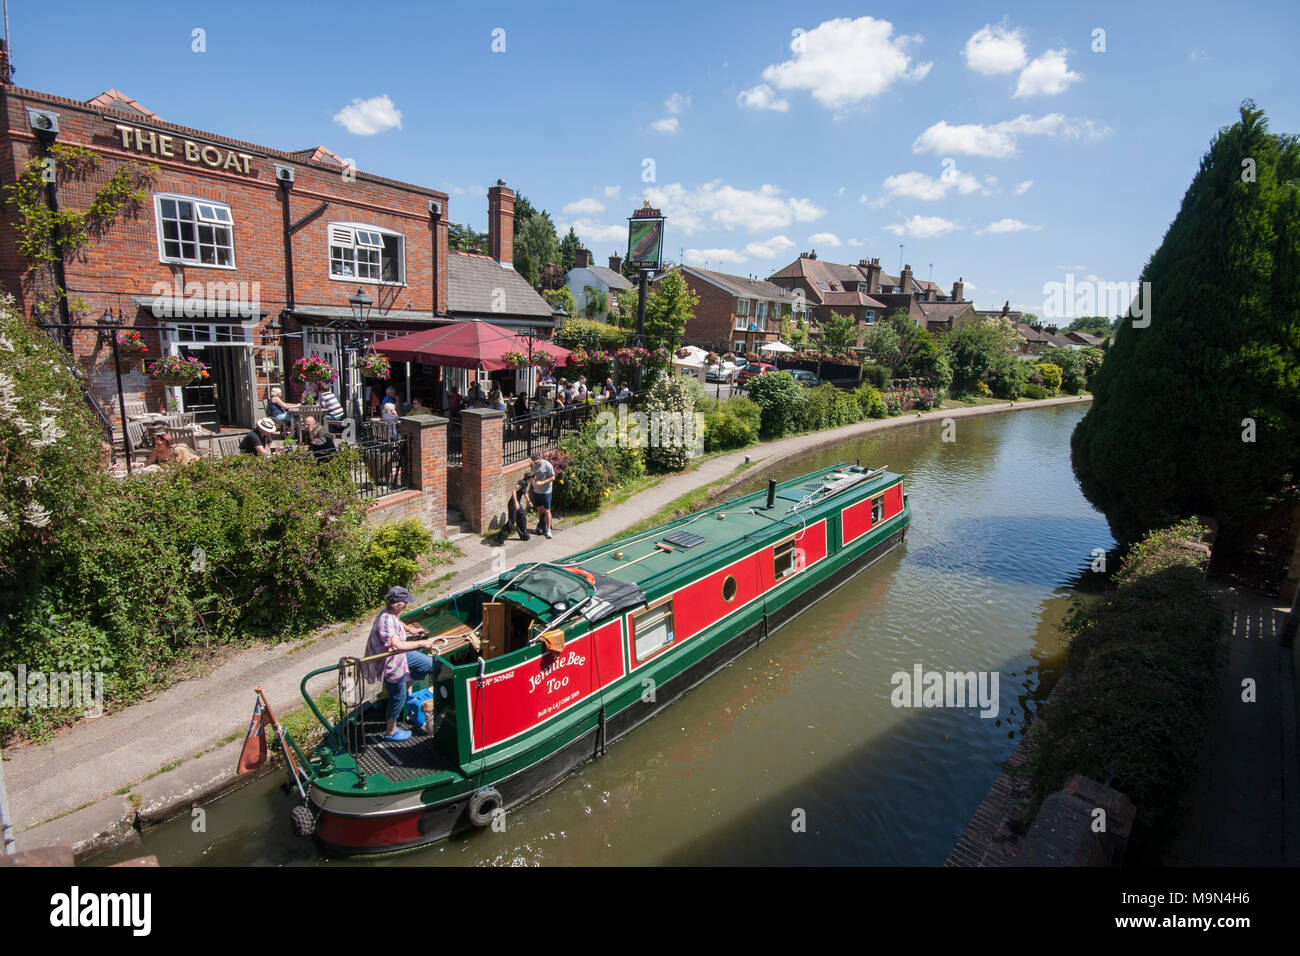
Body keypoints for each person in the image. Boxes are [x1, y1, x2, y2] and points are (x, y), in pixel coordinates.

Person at [362, 586, 439, 742]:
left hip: (400, 656)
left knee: (428, 664)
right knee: (398, 697)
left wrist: (410, 629)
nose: (406, 606)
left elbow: (398, 621)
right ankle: (390, 732)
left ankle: (405, 684)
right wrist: (422, 644)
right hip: (390, 661)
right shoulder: (387, 620)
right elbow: (396, 645)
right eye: (405, 603)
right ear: (398, 605)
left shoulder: (389, 613)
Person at [494, 476, 532, 544]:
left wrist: (528, 501)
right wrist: (516, 502)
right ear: (531, 478)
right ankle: (499, 538)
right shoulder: (521, 482)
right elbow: (514, 491)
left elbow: (525, 493)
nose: (534, 480)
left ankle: (524, 536)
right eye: (534, 479)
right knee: (511, 522)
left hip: (517, 504)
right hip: (513, 504)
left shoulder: (526, 483)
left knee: (522, 518)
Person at [528, 451, 555, 539]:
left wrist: (542, 482)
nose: (534, 464)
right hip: (536, 491)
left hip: (546, 491)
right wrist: (532, 481)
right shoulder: (533, 465)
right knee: (539, 509)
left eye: (536, 462)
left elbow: (553, 477)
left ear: (540, 459)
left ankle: (548, 530)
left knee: (547, 510)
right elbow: (533, 475)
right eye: (533, 462)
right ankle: (541, 527)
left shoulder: (547, 465)